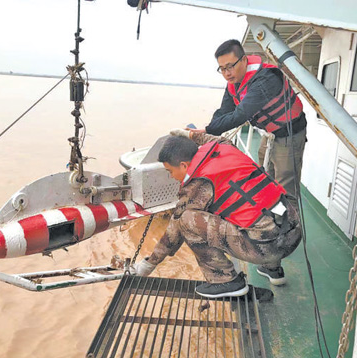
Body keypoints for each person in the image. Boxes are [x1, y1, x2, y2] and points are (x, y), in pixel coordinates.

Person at [130, 130, 302, 298]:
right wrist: (190, 134)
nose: (171, 177)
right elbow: (213, 138)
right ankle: (273, 270)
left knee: (186, 221)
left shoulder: (196, 185)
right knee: (260, 212)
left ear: (183, 165)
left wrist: (150, 263)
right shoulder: (224, 147)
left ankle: (225, 280)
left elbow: (173, 233)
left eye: (170, 171)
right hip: (293, 231)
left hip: (267, 248)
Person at [190, 39, 307, 208]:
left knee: (285, 188)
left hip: (289, 134)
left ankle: (291, 230)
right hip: (270, 134)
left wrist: (208, 129)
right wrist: (207, 132)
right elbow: (224, 111)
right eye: (222, 69)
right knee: (265, 178)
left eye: (230, 66)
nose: (227, 73)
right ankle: (273, 217)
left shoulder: (265, 80)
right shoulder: (234, 83)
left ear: (244, 60)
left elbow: (240, 115)